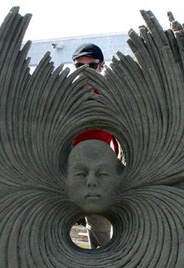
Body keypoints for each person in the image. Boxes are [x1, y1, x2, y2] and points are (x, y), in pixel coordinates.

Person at [71, 43, 120, 248]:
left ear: (101, 66)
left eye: (91, 66)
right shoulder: (68, 96)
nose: (85, 72)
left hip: (100, 166)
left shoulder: (111, 94)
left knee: (98, 221)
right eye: (79, 67)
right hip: (71, 166)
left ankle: (105, 265)